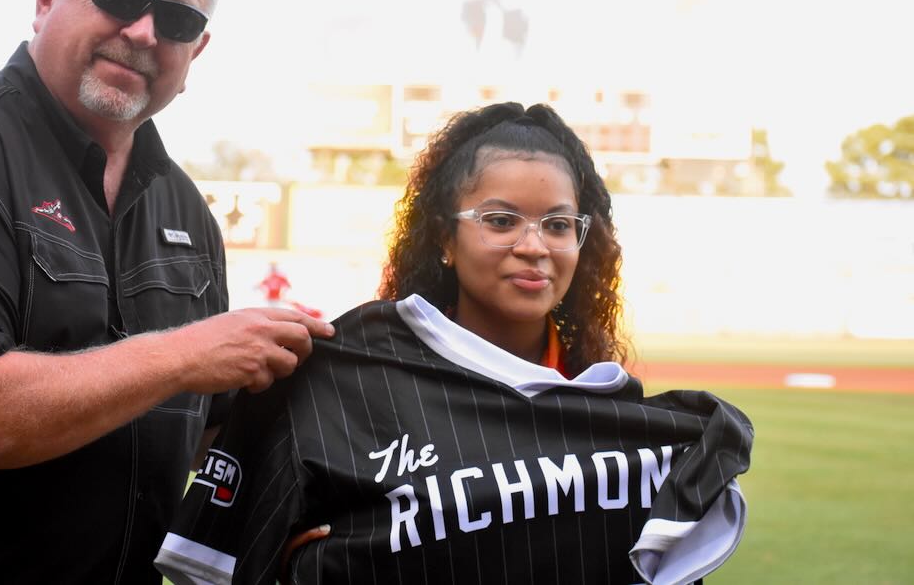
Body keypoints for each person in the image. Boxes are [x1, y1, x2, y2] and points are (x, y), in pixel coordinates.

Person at [155, 102, 754, 584]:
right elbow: (222, 558)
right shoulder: (346, 374)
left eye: (558, 224)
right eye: (500, 220)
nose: (534, 245)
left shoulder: (616, 420)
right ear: (445, 237)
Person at [0, 0, 333, 583]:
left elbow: (210, 435)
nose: (144, 32)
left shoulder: (188, 213)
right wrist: (186, 355)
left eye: (176, 18)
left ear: (196, 51)